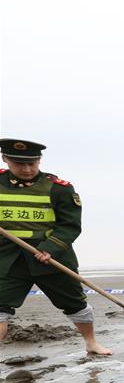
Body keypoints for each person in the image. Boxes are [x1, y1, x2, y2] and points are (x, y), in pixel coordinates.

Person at [0, 138, 111, 355]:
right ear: (5, 159)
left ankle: (91, 343)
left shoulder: (59, 189)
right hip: (7, 259)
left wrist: (50, 248)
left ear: (39, 160)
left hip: (51, 257)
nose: (27, 169)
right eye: (19, 164)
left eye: (32, 163)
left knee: (75, 304)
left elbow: (70, 225)